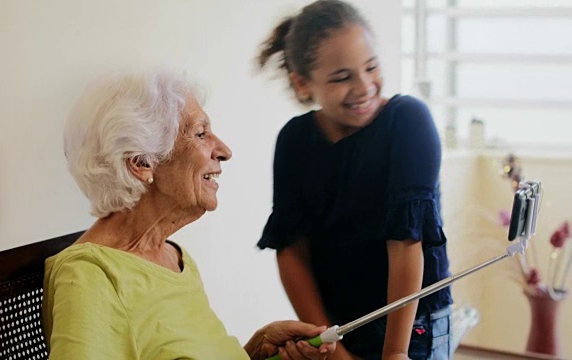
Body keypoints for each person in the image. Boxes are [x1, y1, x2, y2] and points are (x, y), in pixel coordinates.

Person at [42, 68, 337, 360]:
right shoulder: (91, 275)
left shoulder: (174, 258)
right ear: (142, 162)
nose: (224, 150)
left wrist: (256, 352)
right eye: (200, 133)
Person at [255, 1, 452, 359]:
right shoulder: (294, 141)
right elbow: (291, 250)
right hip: (339, 324)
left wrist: (395, 353)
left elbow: (406, 241)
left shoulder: (408, 120)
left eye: (371, 67)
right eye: (342, 77)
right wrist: (332, 346)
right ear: (303, 84)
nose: (364, 87)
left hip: (412, 324)